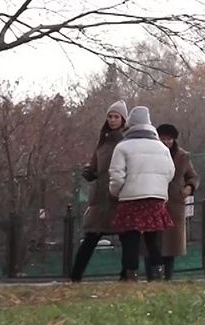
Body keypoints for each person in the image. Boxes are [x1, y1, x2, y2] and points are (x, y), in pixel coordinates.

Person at [108, 105, 175, 281]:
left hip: (131, 199)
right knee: (153, 240)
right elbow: (170, 172)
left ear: (129, 125)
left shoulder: (122, 147)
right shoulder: (162, 148)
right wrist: (158, 187)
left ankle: (130, 276)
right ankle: (158, 275)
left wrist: (116, 192)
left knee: (131, 240)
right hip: (155, 199)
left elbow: (116, 175)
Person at [69, 100, 132, 283]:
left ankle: (126, 276)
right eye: (110, 117)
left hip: (120, 195)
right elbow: (94, 162)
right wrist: (89, 170)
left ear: (123, 120)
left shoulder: (127, 142)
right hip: (99, 197)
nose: (112, 120)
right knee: (91, 236)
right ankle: (75, 277)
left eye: (116, 117)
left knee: (127, 237)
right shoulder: (102, 142)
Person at [156, 123, 200, 280]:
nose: (166, 142)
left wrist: (188, 188)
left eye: (169, 139)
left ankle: (168, 276)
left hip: (174, 203)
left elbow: (193, 176)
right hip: (155, 200)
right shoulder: (152, 154)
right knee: (154, 240)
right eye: (163, 139)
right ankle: (154, 275)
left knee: (171, 243)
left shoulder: (183, 157)